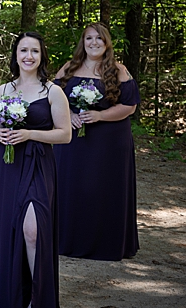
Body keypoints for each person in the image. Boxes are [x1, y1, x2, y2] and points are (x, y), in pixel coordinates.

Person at [0, 32, 71, 308]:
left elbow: (65, 134)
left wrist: (30, 134)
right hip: (9, 165)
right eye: (23, 50)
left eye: (34, 51)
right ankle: (9, 288)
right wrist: (0, 134)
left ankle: (38, 296)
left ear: (42, 55)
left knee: (33, 229)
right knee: (9, 226)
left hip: (38, 165)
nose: (28, 56)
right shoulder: (5, 89)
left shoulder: (53, 92)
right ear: (15, 55)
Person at [53, 23, 140, 260]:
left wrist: (100, 115)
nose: (94, 42)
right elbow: (51, 98)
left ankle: (105, 244)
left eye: (99, 38)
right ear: (83, 42)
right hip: (73, 140)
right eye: (89, 38)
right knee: (70, 185)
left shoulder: (119, 70)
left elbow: (129, 106)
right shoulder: (69, 68)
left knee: (103, 188)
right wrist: (68, 115)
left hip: (109, 142)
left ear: (106, 43)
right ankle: (67, 240)